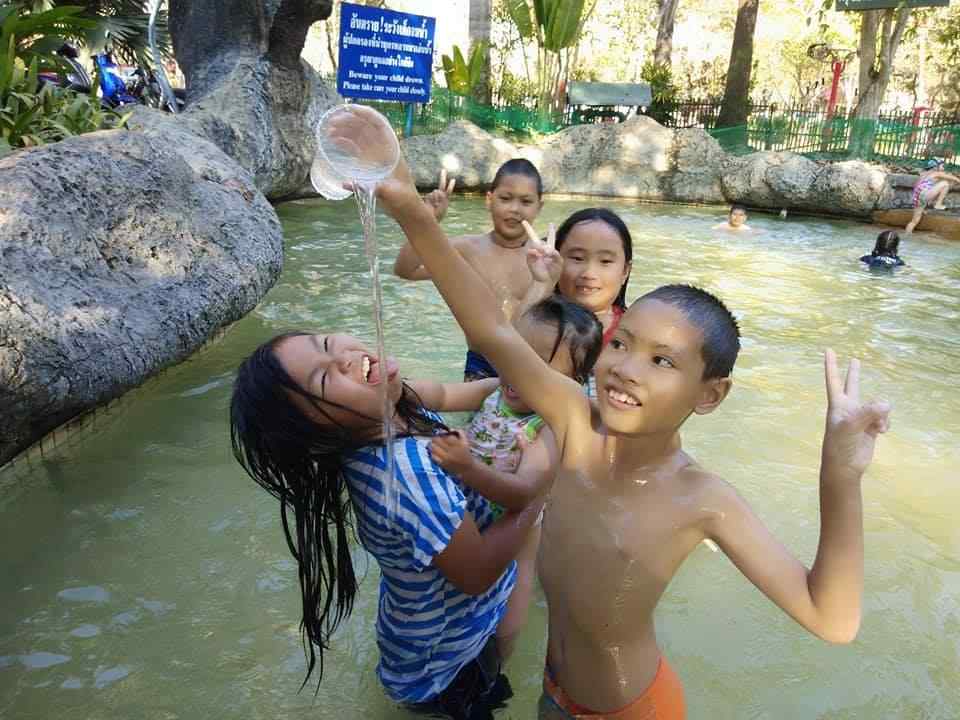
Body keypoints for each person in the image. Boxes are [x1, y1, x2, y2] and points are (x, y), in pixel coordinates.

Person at [370, 141, 891, 720]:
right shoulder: (573, 420)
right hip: (556, 690)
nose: (624, 367)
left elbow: (832, 619)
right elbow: (490, 331)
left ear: (710, 395)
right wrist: (410, 212)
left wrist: (840, 475)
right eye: (620, 344)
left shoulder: (702, 498)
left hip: (631, 708)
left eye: (662, 361)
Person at [229, 335, 550, 719]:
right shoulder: (406, 478)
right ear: (319, 434)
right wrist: (536, 493)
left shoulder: (392, 411)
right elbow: (478, 574)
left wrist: (529, 386)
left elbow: (454, 393)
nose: (344, 358)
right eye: (324, 378)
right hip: (443, 671)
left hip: (435, 632)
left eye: (328, 342)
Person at [430, 296, 603, 659]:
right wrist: (402, 390)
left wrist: (467, 468)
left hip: (518, 524)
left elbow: (524, 493)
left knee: (513, 593)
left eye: (537, 367)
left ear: (571, 384)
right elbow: (444, 394)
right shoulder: (494, 388)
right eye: (517, 354)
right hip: (471, 506)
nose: (518, 372)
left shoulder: (549, 427)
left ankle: (500, 658)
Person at [393, 158, 547, 380]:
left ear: (538, 207)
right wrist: (426, 220)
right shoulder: (466, 249)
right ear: (489, 200)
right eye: (505, 198)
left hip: (533, 361)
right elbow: (406, 270)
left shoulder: (545, 258)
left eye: (526, 201)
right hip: (481, 362)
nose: (514, 209)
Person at [905, 158, 959, 234]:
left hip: (916, 197)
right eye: (942, 166)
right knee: (945, 184)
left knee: (914, 221)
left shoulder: (923, 174)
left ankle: (907, 235)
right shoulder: (936, 173)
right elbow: (954, 179)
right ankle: (938, 204)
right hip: (924, 194)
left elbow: (918, 186)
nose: (943, 168)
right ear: (936, 167)